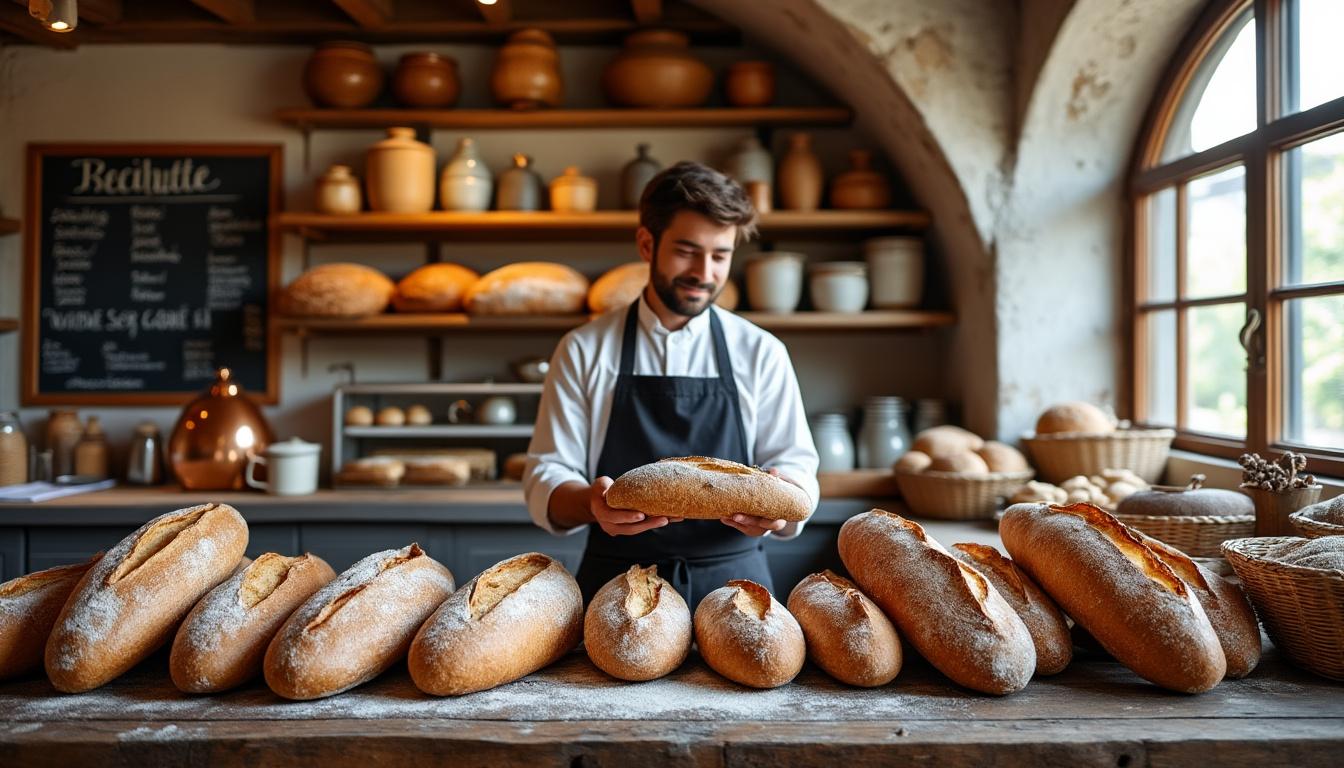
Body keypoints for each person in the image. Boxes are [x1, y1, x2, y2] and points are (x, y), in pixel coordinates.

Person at [523, 161, 820, 609]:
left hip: (738, 593)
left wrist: (777, 514)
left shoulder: (761, 351)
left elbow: (797, 472)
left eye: (720, 255)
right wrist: (593, 503)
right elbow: (546, 477)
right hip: (615, 590)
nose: (704, 272)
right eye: (687, 250)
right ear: (647, 243)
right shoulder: (584, 349)